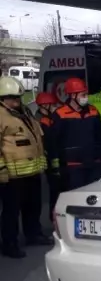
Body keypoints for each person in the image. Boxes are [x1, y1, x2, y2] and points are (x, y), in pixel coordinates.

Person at [0, 77, 52, 258]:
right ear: (3, 98)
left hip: (31, 171)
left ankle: (33, 234)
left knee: (33, 206)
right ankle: (9, 243)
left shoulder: (24, 113)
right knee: (11, 212)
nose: (17, 101)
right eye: (13, 98)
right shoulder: (1, 115)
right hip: (13, 175)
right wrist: (2, 170)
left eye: (18, 97)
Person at [48, 78, 101, 192]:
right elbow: (54, 141)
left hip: (94, 163)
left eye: (86, 94)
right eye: (83, 94)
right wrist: (56, 163)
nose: (86, 97)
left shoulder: (93, 111)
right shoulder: (60, 114)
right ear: (72, 95)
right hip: (73, 166)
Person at [35, 91, 60, 222]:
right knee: (55, 191)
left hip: (52, 159)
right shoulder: (41, 122)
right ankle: (53, 218)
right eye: (53, 104)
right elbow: (49, 143)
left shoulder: (46, 119)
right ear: (45, 106)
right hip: (49, 160)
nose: (55, 106)